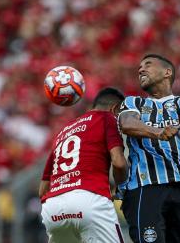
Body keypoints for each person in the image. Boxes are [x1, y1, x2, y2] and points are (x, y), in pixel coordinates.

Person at [117, 54, 180, 243]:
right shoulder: (134, 103)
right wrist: (158, 132)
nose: (141, 69)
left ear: (167, 72)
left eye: (148, 64)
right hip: (144, 188)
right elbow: (127, 123)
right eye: (140, 66)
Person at [39, 87, 128, 243]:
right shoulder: (107, 118)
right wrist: (121, 190)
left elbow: (42, 189)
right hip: (89, 199)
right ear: (115, 109)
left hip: (53, 209)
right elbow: (119, 163)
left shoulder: (64, 131)